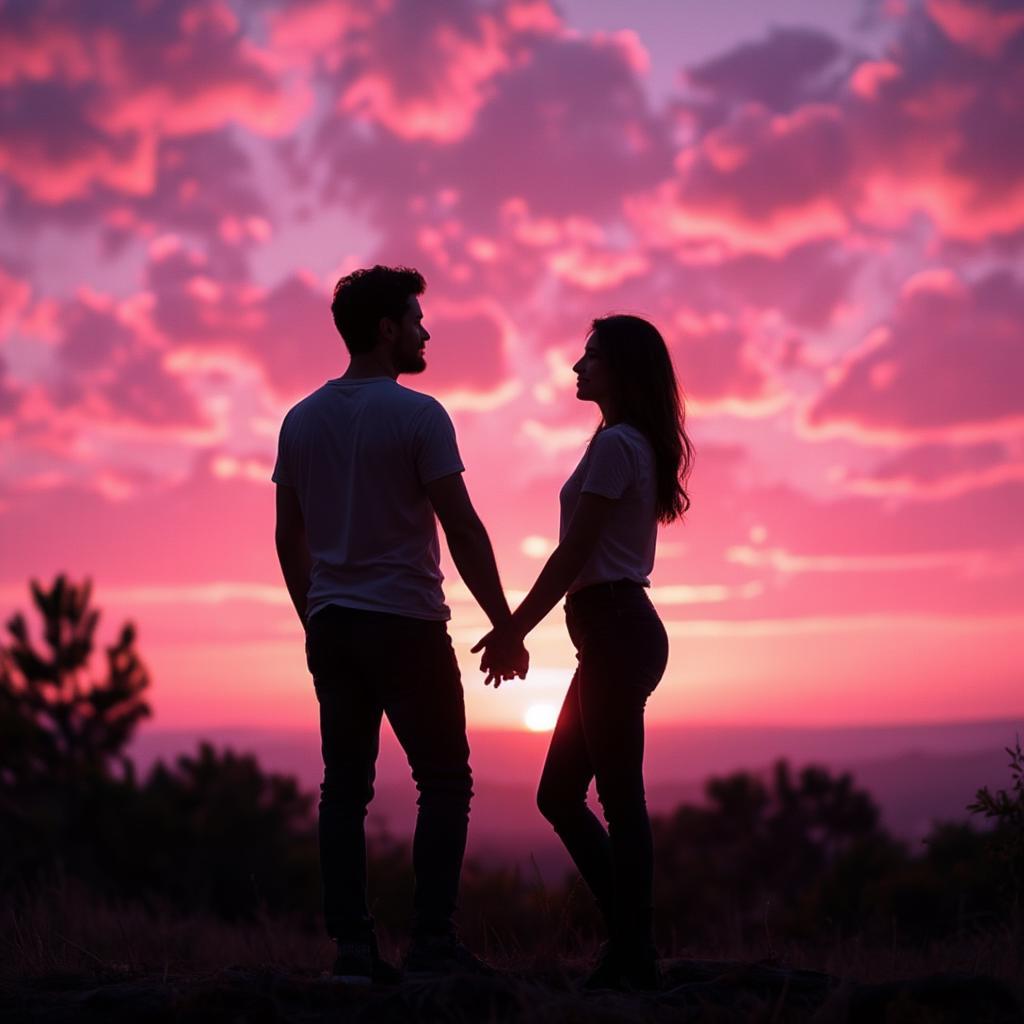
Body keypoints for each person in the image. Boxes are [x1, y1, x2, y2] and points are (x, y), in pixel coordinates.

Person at [273, 265, 528, 985]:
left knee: (343, 788)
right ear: (387, 329)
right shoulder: (419, 415)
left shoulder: (300, 419)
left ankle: (353, 951)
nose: (425, 330)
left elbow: (286, 536)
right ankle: (432, 944)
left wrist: (314, 614)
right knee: (445, 780)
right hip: (408, 625)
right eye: (416, 319)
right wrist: (505, 624)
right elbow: (465, 530)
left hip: (336, 626)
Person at [473, 314, 693, 990]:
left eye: (591, 357)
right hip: (611, 632)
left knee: (617, 798)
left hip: (618, 629)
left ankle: (633, 951)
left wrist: (513, 627)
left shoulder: (618, 446)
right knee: (561, 794)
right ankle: (629, 940)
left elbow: (573, 555)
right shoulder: (620, 443)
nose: (577, 366)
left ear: (622, 370)